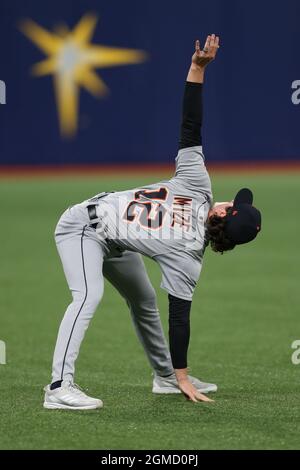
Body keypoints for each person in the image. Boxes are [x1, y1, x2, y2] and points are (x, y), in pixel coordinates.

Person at [43, 34, 261, 410]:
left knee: (134, 299)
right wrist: (184, 372)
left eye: (234, 204)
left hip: (91, 229)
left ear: (224, 213)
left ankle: (60, 388)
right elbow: (181, 318)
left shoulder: (197, 191)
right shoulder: (191, 256)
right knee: (92, 293)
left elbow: (190, 126)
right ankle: (73, 383)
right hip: (86, 228)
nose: (230, 200)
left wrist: (196, 68)